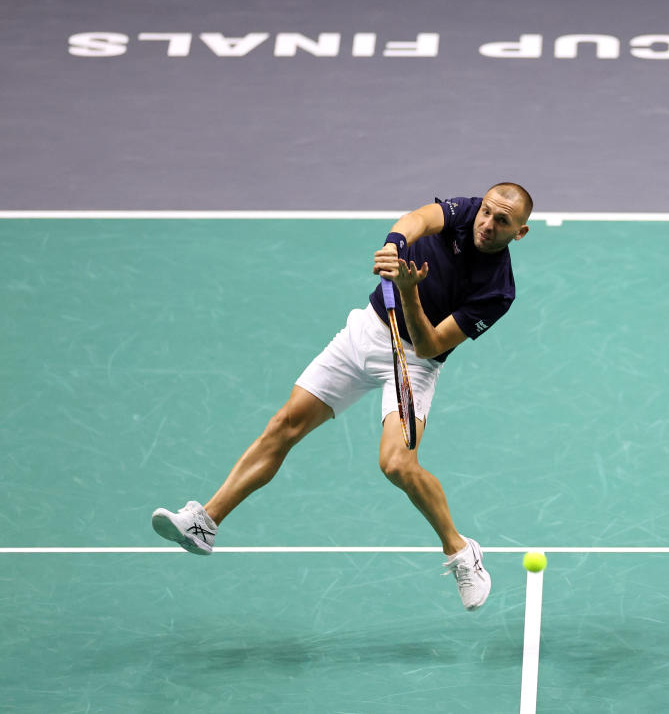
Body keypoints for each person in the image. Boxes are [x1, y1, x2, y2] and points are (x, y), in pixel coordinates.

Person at [152, 182, 533, 612]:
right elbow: (417, 220)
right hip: (368, 331)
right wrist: (395, 244)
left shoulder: (498, 291)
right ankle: (205, 523)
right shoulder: (465, 213)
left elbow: (428, 345)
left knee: (396, 464)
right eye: (487, 212)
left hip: (414, 362)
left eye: (502, 221)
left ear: (519, 233)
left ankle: (462, 551)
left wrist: (407, 290)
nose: (488, 223)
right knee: (285, 424)